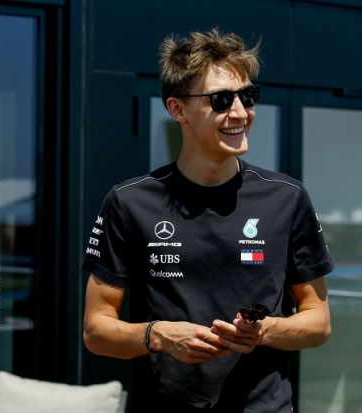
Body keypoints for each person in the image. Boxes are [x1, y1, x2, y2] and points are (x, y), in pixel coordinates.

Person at [82, 29, 333, 412]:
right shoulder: (129, 201)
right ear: (177, 109)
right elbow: (96, 331)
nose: (239, 112)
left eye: (247, 97)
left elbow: (318, 323)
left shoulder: (287, 197)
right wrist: (159, 336)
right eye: (221, 100)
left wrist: (264, 331)